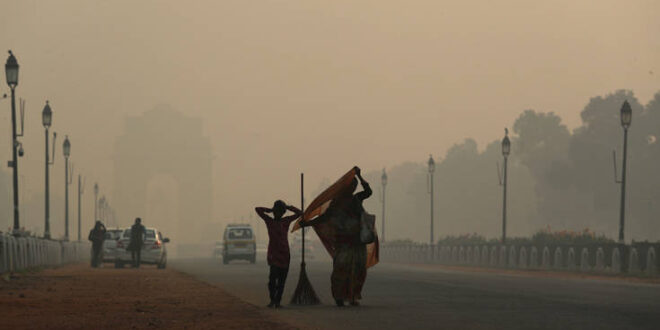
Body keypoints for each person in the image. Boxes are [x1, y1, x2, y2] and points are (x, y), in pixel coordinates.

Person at [302, 166, 372, 307]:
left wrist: (359, 175)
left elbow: (368, 192)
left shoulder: (356, 199)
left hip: (357, 241)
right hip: (343, 241)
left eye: (355, 186)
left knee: (358, 269)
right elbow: (323, 218)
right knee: (341, 268)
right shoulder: (336, 203)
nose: (353, 188)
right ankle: (339, 297)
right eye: (351, 186)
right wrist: (308, 222)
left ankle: (353, 297)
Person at [255, 200, 302, 308]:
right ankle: (272, 300)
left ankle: (277, 301)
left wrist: (289, 207)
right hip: (274, 254)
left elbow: (300, 213)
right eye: (277, 211)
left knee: (281, 280)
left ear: (283, 212)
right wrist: (270, 210)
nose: (278, 213)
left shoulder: (286, 221)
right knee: (272, 279)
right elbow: (257, 209)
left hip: (285, 254)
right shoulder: (269, 221)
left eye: (281, 211)